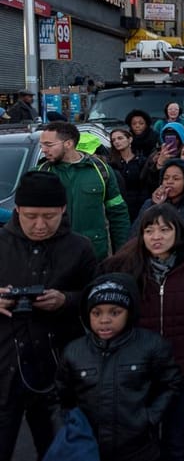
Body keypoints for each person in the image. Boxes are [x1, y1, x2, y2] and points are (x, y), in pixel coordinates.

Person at [101, 205, 184, 461]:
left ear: (177, 233)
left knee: (175, 443)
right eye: (149, 230)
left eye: (164, 230)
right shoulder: (125, 268)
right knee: (141, 443)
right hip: (137, 374)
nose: (156, 237)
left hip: (180, 374)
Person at [0, 173, 97, 461]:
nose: (40, 225)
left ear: (63, 210)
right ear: (17, 209)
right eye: (31, 216)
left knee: (58, 452)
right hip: (4, 367)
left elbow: (99, 299)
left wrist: (66, 300)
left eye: (49, 216)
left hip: (58, 370)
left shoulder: (80, 247)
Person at [57, 273, 181, 461]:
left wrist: (149, 417)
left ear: (129, 312)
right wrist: (72, 425)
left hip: (140, 448)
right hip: (90, 447)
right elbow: (63, 396)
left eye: (114, 312)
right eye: (96, 313)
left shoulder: (151, 345)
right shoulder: (74, 352)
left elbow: (170, 384)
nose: (104, 320)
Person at [37, 121, 129, 261]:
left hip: (94, 256)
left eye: (48, 145)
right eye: (42, 145)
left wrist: (122, 253)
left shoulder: (101, 171)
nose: (43, 149)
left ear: (68, 144)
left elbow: (118, 213)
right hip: (54, 257)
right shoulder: (39, 174)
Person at [109, 126, 150, 221]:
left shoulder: (142, 161)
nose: (116, 142)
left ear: (130, 139)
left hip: (139, 209)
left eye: (120, 138)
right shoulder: (111, 164)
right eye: (113, 140)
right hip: (119, 210)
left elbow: (146, 184)